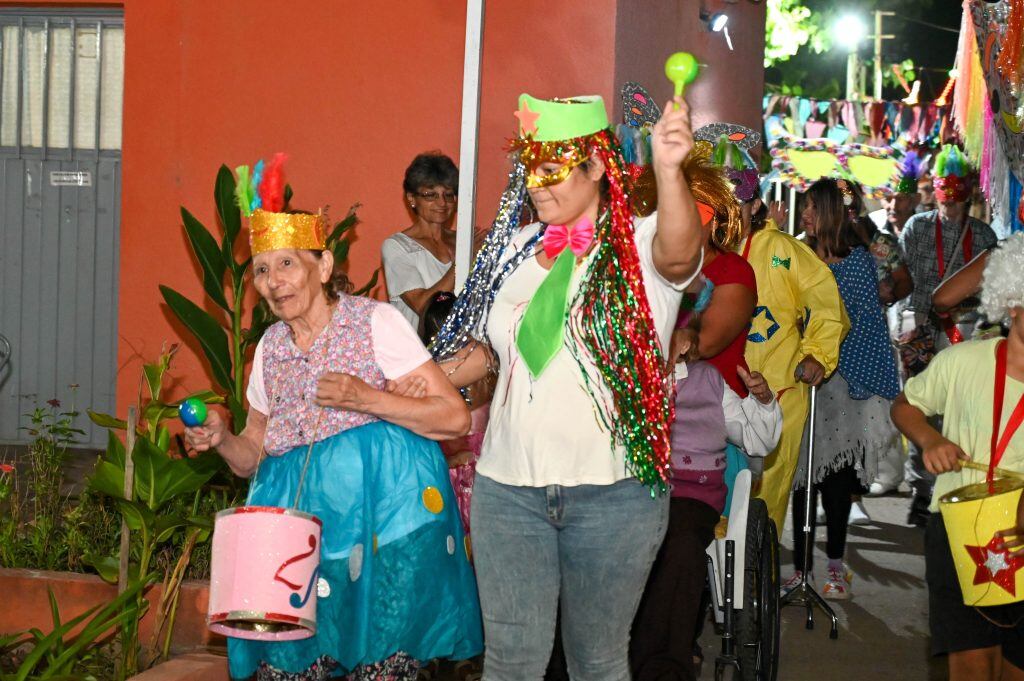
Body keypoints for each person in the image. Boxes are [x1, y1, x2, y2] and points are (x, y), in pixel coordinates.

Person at [431, 92, 704, 679]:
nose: (537, 184)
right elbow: (491, 350)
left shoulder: (640, 245)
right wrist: (420, 383)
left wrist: (670, 169)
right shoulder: (512, 248)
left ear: (598, 165)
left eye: (553, 170)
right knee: (509, 665)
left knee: (598, 663)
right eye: (530, 168)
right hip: (507, 490)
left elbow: (681, 259)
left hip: (615, 497)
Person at [184, 160, 482, 681]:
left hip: (381, 526)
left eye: (286, 265)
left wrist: (368, 398)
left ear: (322, 267)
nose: (273, 283)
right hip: (296, 544)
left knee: (377, 663)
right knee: (292, 666)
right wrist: (223, 436)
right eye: (260, 270)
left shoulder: (376, 323)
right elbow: (252, 454)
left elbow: (454, 417)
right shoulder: (270, 348)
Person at [891, 233, 1024, 681]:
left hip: (1020, 535)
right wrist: (930, 440)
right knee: (971, 662)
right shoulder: (964, 362)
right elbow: (905, 405)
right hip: (960, 531)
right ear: (1011, 303)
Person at [630, 338, 781, 680]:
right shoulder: (620, 376)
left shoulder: (707, 381)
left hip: (690, 493)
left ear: (684, 342)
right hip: (628, 492)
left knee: (679, 543)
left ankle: (663, 669)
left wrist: (762, 401)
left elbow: (757, 439)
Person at [784, 179, 901, 599]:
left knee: (835, 481)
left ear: (832, 211)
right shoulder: (794, 256)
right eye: (805, 208)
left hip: (846, 388)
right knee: (802, 480)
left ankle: (834, 567)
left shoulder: (857, 263)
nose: (806, 215)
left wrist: (861, 380)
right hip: (799, 382)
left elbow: (868, 329)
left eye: (813, 207)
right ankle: (799, 569)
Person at [726, 164, 848, 536]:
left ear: (756, 205)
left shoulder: (782, 249)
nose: (730, 213)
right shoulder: (699, 248)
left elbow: (827, 303)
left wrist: (817, 355)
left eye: (739, 203)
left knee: (766, 498)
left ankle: (754, 576)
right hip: (715, 392)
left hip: (778, 392)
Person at [898, 144, 999, 526]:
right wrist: (906, 324)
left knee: (962, 411)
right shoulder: (916, 228)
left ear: (969, 194)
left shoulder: (985, 236)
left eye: (959, 195)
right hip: (923, 331)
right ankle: (921, 492)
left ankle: (957, 487)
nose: (951, 204)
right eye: (946, 193)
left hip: (970, 332)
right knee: (919, 410)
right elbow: (903, 278)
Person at [382, 152, 459, 328]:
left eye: (448, 195)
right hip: (421, 353)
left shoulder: (464, 240)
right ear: (411, 199)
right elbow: (423, 305)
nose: (442, 203)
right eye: (430, 195)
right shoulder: (397, 246)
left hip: (468, 351)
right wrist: (463, 263)